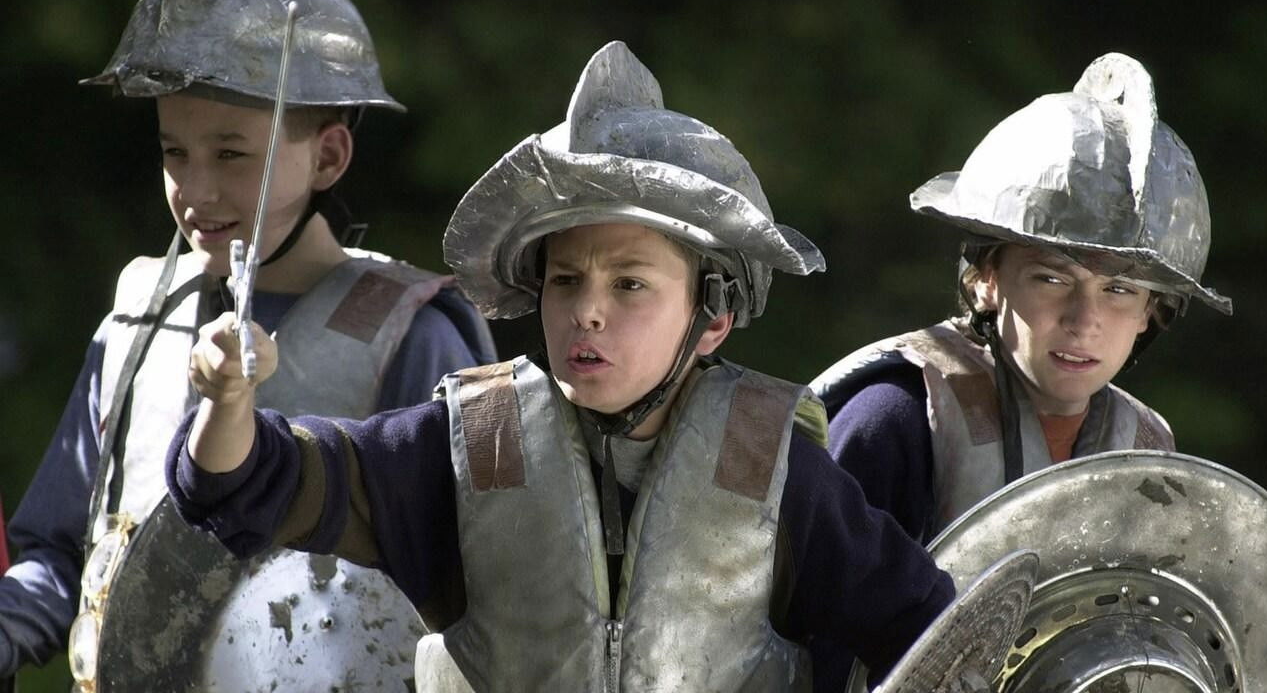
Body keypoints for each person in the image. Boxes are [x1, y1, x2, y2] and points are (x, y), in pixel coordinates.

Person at [166, 40, 955, 692]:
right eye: (566, 281)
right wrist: (228, 402)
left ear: (712, 318)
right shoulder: (469, 443)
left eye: (630, 285)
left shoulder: (771, 466)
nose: (588, 311)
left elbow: (934, 639)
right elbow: (244, 484)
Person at [0, 0, 495, 690]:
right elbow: (58, 557)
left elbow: (466, 602)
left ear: (328, 156)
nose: (195, 191)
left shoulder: (413, 335)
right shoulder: (136, 317)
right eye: (174, 152)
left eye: (231, 155)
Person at [811, 52, 1232, 545]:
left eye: (1118, 290)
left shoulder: (1148, 455)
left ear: (1151, 312)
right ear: (987, 279)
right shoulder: (893, 419)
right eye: (1051, 279)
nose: (1084, 321)